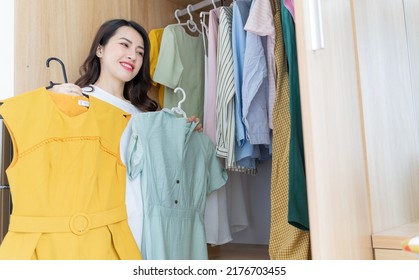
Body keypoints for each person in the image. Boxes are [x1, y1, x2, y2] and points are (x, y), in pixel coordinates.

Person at [50, 19, 201, 253]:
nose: (133, 56)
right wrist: (52, 94)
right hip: (95, 228)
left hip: (143, 228)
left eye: (140, 52)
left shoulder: (145, 113)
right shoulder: (79, 101)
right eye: (125, 45)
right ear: (100, 49)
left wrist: (184, 136)